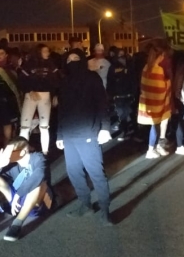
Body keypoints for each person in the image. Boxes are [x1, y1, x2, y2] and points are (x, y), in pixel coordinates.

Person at [56, 50, 113, 226]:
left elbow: (102, 104)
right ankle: (85, 204)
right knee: (74, 172)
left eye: (75, 58)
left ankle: (105, 210)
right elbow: (61, 110)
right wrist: (59, 134)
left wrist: (105, 128)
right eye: (68, 59)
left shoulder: (92, 78)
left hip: (88, 132)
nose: (72, 61)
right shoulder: (64, 82)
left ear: (82, 61)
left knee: (96, 173)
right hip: (69, 134)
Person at [0, 137, 50, 242]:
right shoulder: (11, 165)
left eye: (10, 152)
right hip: (17, 203)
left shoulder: (37, 157)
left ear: (22, 152)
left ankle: (16, 225)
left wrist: (18, 195)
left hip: (37, 203)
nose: (7, 155)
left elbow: (39, 174)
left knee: (39, 184)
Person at [18, 44, 60, 155]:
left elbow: (57, 80)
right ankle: (23, 151)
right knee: (25, 125)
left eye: (48, 51)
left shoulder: (51, 64)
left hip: (45, 96)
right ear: (38, 52)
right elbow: (21, 79)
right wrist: (29, 90)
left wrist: (55, 94)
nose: (48, 53)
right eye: (45, 51)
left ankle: (45, 152)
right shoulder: (29, 64)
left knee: (44, 126)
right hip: (31, 96)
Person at [138, 39, 173, 159]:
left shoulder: (146, 67)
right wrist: (168, 82)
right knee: (156, 126)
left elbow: (144, 85)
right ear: (161, 56)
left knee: (156, 126)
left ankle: (155, 147)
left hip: (148, 102)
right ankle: (151, 149)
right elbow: (161, 88)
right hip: (158, 103)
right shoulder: (158, 69)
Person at [108, 49, 136, 141]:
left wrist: (134, 92)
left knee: (131, 114)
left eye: (123, 55)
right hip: (119, 96)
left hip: (129, 95)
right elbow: (110, 82)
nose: (122, 57)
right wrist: (111, 94)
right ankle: (124, 131)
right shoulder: (113, 68)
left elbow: (133, 80)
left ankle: (134, 132)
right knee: (122, 115)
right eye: (119, 55)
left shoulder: (130, 67)